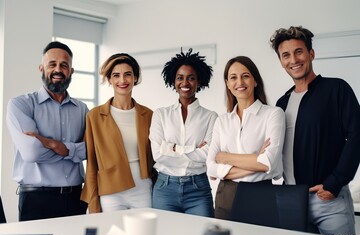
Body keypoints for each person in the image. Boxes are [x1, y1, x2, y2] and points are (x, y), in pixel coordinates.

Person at [270, 26, 360, 235]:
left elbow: (357, 134)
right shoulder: (281, 103)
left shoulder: (336, 89)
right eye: (286, 55)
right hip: (291, 200)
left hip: (329, 200)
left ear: (311, 53)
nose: (293, 59)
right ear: (281, 62)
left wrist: (334, 183)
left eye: (299, 51)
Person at [6, 41, 88, 221]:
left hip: (76, 198)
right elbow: (32, 153)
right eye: (52, 64)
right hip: (37, 200)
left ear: (71, 71)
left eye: (64, 65)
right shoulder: (21, 105)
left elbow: (90, 150)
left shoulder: (82, 109)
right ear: (41, 68)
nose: (58, 69)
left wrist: (51, 143)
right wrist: (73, 151)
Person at [206, 56, 285, 220]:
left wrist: (225, 157)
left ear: (255, 81)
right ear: (228, 84)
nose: (239, 82)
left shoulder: (273, 114)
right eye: (233, 77)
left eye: (246, 76)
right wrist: (256, 163)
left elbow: (268, 162)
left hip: (260, 195)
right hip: (225, 196)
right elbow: (211, 169)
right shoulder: (222, 121)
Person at [80, 53, 156, 213]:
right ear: (109, 80)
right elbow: (91, 163)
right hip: (110, 192)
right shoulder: (94, 116)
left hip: (142, 189)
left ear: (135, 78)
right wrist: (93, 201)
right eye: (116, 75)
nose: (122, 80)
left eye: (127, 74)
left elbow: (156, 157)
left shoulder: (149, 115)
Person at [149, 48, 217, 217]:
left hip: (198, 189)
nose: (185, 83)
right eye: (180, 78)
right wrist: (193, 149)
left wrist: (171, 148)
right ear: (173, 81)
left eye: (191, 78)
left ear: (199, 82)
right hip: (165, 188)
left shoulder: (211, 117)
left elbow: (208, 154)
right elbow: (158, 154)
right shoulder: (160, 114)